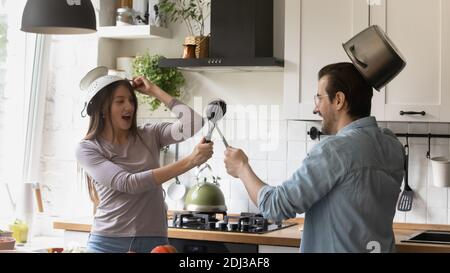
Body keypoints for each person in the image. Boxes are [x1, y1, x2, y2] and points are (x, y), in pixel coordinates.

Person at [224, 62, 405, 253]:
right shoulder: (392, 144)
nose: (315, 108)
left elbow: (275, 206)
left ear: (338, 100)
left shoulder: (335, 150)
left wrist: (242, 168)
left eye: (319, 98)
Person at [76, 69, 213, 253]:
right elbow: (128, 183)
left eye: (131, 100)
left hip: (154, 240)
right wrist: (190, 161)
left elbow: (194, 123)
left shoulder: (150, 134)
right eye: (120, 101)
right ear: (102, 108)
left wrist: (154, 91)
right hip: (108, 243)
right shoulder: (88, 148)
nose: (129, 106)